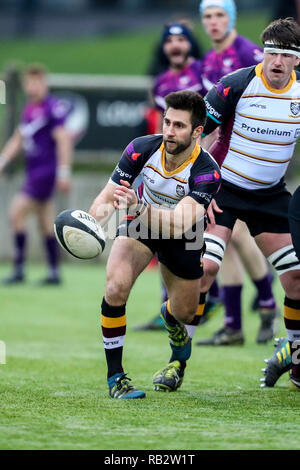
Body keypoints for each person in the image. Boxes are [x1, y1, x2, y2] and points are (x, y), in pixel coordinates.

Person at [88, 90, 221, 398]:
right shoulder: (141, 148)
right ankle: (115, 377)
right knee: (115, 288)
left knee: (185, 314)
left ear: (198, 132)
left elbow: (179, 223)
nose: (169, 132)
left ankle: (173, 334)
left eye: (179, 126)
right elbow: (108, 196)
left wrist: (139, 209)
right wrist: (91, 226)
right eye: (167, 122)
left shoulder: (207, 171)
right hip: (141, 224)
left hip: (184, 235)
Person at [197, 17, 300, 390]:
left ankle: (296, 357)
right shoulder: (235, 85)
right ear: (263, 53)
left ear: (296, 61)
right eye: (271, 52)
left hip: (271, 196)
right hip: (225, 191)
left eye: (285, 55)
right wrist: (200, 191)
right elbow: (196, 139)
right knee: (207, 268)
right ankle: (179, 358)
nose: (276, 61)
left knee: (296, 280)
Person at [196, 0, 279, 346]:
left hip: (246, 161)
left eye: (220, 15)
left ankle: (266, 302)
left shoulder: (249, 51)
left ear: (231, 18)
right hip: (220, 159)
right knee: (226, 243)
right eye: (208, 16)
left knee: (238, 237)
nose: (214, 22)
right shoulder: (209, 60)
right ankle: (235, 321)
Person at [134, 22, 221, 332]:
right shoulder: (161, 83)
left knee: (217, 236)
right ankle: (171, 308)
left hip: (200, 169)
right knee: (162, 230)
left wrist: (202, 167)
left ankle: (228, 302)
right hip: (167, 169)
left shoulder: (203, 72)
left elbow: (214, 121)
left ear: (190, 44)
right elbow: (161, 128)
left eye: (181, 39)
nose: (175, 45)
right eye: (169, 39)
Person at [0, 64, 73, 285]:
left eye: (36, 82)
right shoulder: (29, 109)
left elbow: (63, 139)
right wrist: (3, 160)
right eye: (28, 83)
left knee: (16, 213)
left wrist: (64, 171)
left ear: (44, 84)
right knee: (45, 221)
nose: (32, 87)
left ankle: (19, 268)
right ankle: (54, 272)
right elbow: (18, 138)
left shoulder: (52, 107)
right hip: (34, 171)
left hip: (45, 172)